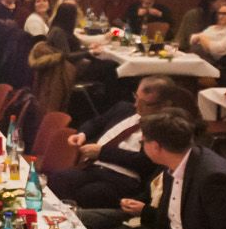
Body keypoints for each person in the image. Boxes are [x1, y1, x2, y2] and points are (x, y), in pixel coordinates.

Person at [52, 75, 179, 209]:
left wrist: (102, 152)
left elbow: (146, 162)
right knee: (58, 179)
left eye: (146, 104)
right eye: (136, 98)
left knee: (89, 194)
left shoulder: (165, 127)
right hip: (93, 167)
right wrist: (82, 134)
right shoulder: (124, 108)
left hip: (123, 178)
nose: (137, 106)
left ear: (166, 105)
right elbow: (96, 123)